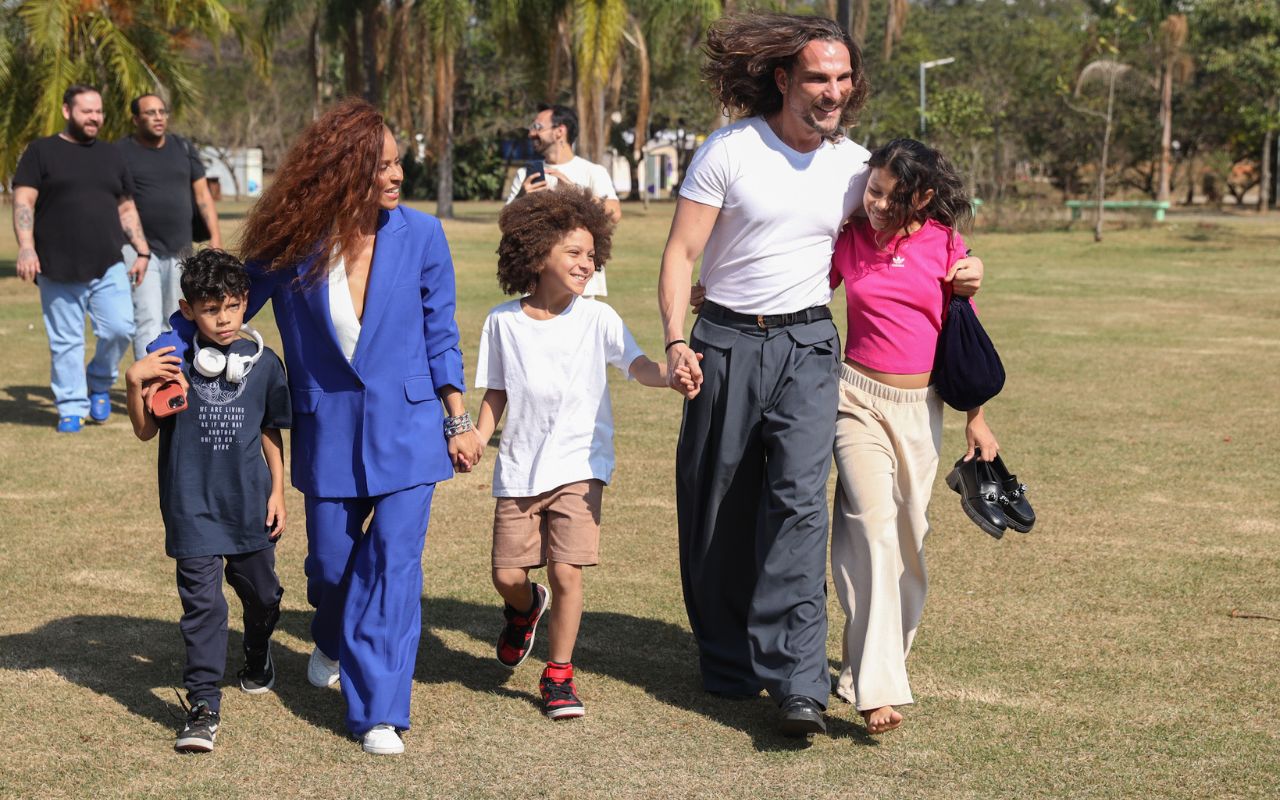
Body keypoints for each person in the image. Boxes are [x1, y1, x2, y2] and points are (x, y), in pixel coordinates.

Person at [657, 13, 984, 737]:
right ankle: (728, 657)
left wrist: (966, 266)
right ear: (784, 80)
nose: (834, 91)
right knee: (718, 505)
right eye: (818, 78)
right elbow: (682, 254)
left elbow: (910, 229)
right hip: (726, 343)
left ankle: (797, 679)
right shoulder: (729, 152)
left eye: (843, 78)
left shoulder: (855, 167)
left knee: (801, 505)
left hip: (809, 346)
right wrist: (678, 340)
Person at [151, 99, 484, 755]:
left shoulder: (423, 236)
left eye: (396, 163)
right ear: (344, 170)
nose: (397, 174)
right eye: (382, 165)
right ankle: (329, 637)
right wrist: (164, 349)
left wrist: (459, 420)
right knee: (332, 571)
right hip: (327, 431)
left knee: (393, 564)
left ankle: (378, 713)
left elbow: (441, 336)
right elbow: (224, 299)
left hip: (411, 430)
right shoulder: (294, 241)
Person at [473, 186, 686, 720]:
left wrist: (669, 375)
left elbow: (637, 366)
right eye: (573, 252)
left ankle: (559, 674)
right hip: (520, 466)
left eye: (592, 255)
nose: (586, 264)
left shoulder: (599, 318)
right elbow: (496, 390)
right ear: (537, 252)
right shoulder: (503, 321)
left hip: (581, 465)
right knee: (507, 575)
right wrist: (478, 435)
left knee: (568, 571)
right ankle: (525, 611)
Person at [829, 139, 998, 735]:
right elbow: (795, 288)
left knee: (909, 538)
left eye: (888, 196)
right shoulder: (848, 238)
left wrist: (976, 418)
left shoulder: (946, 246)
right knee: (872, 531)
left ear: (921, 197)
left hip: (920, 407)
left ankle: (866, 666)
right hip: (854, 400)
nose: (874, 203)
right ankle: (876, 691)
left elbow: (960, 336)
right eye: (870, 190)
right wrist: (725, 301)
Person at [124, 249, 289, 753]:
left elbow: (269, 431)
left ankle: (258, 650)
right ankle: (203, 707)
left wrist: (278, 490)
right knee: (203, 608)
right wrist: (135, 382)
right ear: (188, 308)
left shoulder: (264, 366)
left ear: (245, 306)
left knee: (264, 596)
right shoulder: (169, 362)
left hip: (248, 505)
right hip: (190, 506)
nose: (223, 318)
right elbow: (145, 430)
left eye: (233, 307)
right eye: (210, 308)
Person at [12, 84, 152, 432]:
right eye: (86, 111)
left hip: (108, 263)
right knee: (66, 342)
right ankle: (71, 406)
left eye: (98, 112)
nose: (94, 118)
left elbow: (126, 206)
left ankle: (99, 380)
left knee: (121, 328)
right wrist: (26, 247)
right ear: (66, 111)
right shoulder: (41, 152)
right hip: (56, 267)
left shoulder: (111, 155)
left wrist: (142, 249)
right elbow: (24, 201)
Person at [118, 92, 223, 360]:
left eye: (162, 112)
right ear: (135, 119)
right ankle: (150, 387)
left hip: (181, 250)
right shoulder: (122, 152)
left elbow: (202, 196)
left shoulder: (183, 148)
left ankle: (173, 382)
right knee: (148, 319)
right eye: (150, 113)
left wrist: (215, 238)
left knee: (178, 317)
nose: (158, 117)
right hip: (140, 251)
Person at [504, 103, 621, 297]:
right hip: (537, 286)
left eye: (538, 127)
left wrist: (574, 191)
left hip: (582, 284)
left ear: (560, 131)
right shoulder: (526, 174)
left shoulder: (593, 172)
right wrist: (522, 199)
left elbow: (614, 213)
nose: (531, 134)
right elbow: (506, 226)